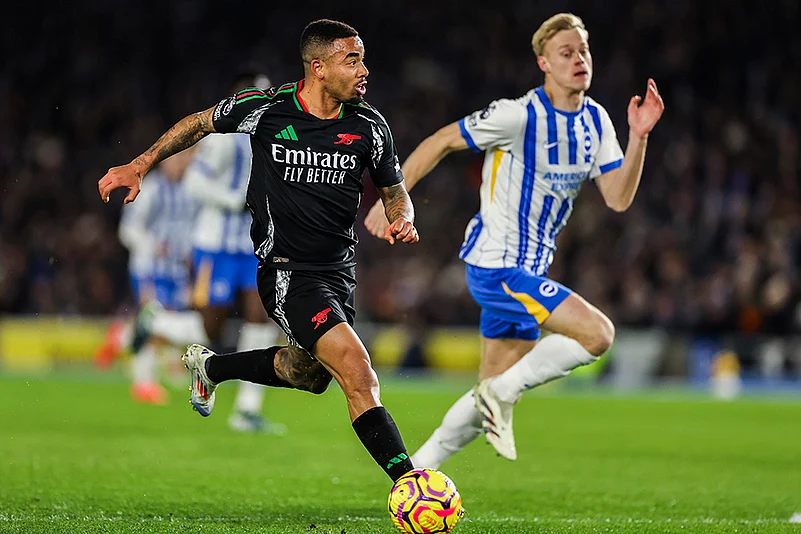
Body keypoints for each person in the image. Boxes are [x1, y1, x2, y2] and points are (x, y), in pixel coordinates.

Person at [98, 19, 422, 482]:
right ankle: (412, 485)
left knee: (309, 375)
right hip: (288, 270)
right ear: (319, 67)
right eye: (352, 60)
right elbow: (199, 123)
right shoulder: (268, 108)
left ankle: (212, 366)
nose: (364, 69)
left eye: (363, 59)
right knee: (358, 371)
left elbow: (395, 189)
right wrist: (142, 163)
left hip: (339, 273)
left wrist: (402, 216)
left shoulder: (370, 124)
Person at [364, 12, 665, 467]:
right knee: (598, 335)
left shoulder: (597, 122)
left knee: (487, 391)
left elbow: (618, 198)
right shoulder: (517, 115)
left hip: (530, 270)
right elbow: (442, 140)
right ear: (544, 63)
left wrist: (638, 137)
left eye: (583, 50)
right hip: (495, 265)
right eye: (566, 53)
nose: (579, 59)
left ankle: (414, 476)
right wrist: (394, 201)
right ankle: (500, 394)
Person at [183, 69, 284, 433]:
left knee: (263, 316)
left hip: (254, 244)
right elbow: (193, 182)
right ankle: (157, 324)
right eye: (256, 94)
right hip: (216, 244)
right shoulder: (222, 137)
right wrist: (234, 200)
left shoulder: (272, 137)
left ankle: (246, 409)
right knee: (211, 328)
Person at [116, 151, 198, 404]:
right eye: (176, 159)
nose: (181, 164)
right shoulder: (150, 190)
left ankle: (123, 338)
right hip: (149, 268)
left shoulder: (191, 190)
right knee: (153, 318)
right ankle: (143, 382)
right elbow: (127, 230)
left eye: (185, 160)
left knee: (170, 322)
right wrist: (153, 246)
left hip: (177, 271)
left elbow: (192, 229)